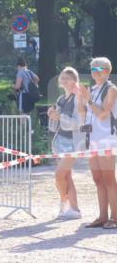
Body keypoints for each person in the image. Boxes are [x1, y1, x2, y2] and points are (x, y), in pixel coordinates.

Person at [76, 57, 117, 229]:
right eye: (93, 69)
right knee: (97, 178)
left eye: (99, 69)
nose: (95, 72)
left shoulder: (112, 89)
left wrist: (89, 100)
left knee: (109, 178)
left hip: (107, 139)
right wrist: (81, 99)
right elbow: (84, 112)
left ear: (107, 71)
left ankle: (114, 217)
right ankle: (102, 217)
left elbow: (103, 114)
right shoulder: (92, 89)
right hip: (93, 139)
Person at [47, 67, 85, 220]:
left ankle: (64, 201)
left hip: (73, 143)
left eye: (68, 77)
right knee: (66, 177)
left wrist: (60, 116)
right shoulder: (60, 99)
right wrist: (52, 115)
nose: (64, 80)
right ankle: (73, 209)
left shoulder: (78, 98)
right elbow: (54, 126)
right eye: (63, 77)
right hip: (60, 141)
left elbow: (78, 123)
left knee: (59, 175)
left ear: (75, 80)